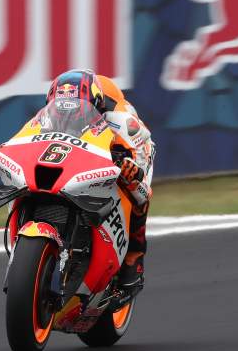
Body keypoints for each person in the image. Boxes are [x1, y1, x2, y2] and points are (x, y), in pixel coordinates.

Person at [44, 69, 155, 292]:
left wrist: (130, 166)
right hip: (77, 148)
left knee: (137, 192)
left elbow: (141, 154)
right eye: (61, 114)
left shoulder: (122, 120)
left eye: (75, 115)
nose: (65, 119)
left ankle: (135, 256)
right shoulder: (49, 114)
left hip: (132, 146)